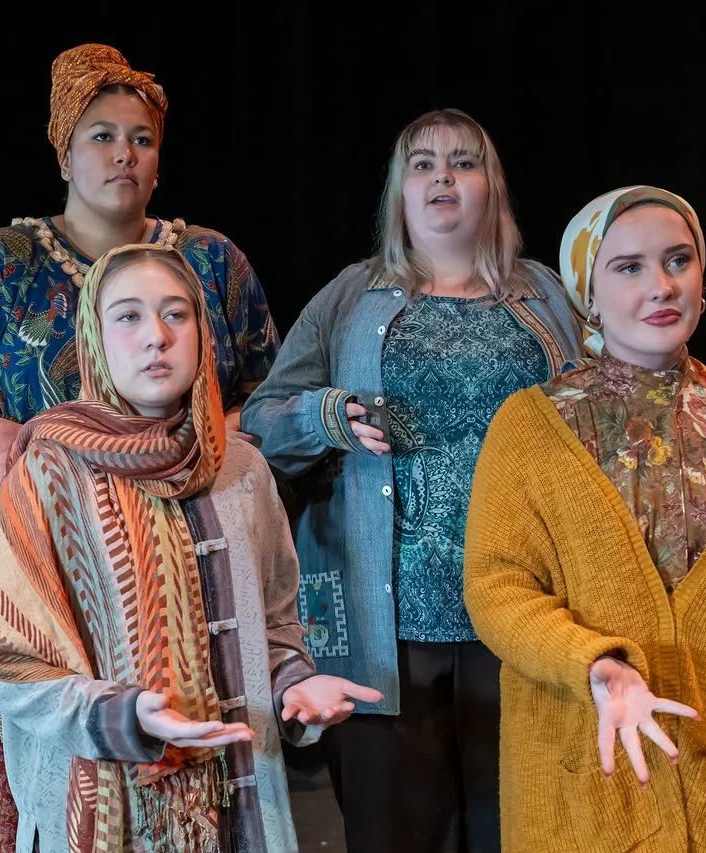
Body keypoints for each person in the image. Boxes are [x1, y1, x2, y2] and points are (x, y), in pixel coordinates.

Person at [0, 43, 278, 849]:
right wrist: (2, 432)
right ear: (65, 150)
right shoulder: (2, 263)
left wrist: (215, 442)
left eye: (141, 138)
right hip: (36, 547)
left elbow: (262, 392)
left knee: (179, 741)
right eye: (102, 135)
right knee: (36, 771)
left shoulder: (208, 261)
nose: (123, 154)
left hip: (173, 543)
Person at [463, 185, 706, 852]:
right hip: (586, 781)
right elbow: (499, 586)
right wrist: (597, 663)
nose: (662, 284)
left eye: (679, 260)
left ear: (704, 283)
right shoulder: (529, 425)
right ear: (587, 289)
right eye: (629, 266)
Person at [241, 108, 583, 852]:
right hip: (382, 624)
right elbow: (258, 420)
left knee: (521, 829)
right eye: (423, 165)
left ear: (492, 186)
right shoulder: (350, 297)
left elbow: (605, 411)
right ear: (399, 191)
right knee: (395, 833)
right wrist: (326, 414)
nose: (443, 178)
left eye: (463, 162)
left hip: (523, 611)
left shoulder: (550, 300)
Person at [0, 243, 379, 853]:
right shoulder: (46, 476)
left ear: (202, 333)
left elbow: (273, 624)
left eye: (176, 314)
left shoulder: (242, 468)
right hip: (110, 810)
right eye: (129, 316)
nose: (157, 336)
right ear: (94, 338)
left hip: (244, 802)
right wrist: (123, 715)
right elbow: (10, 661)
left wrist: (294, 685)